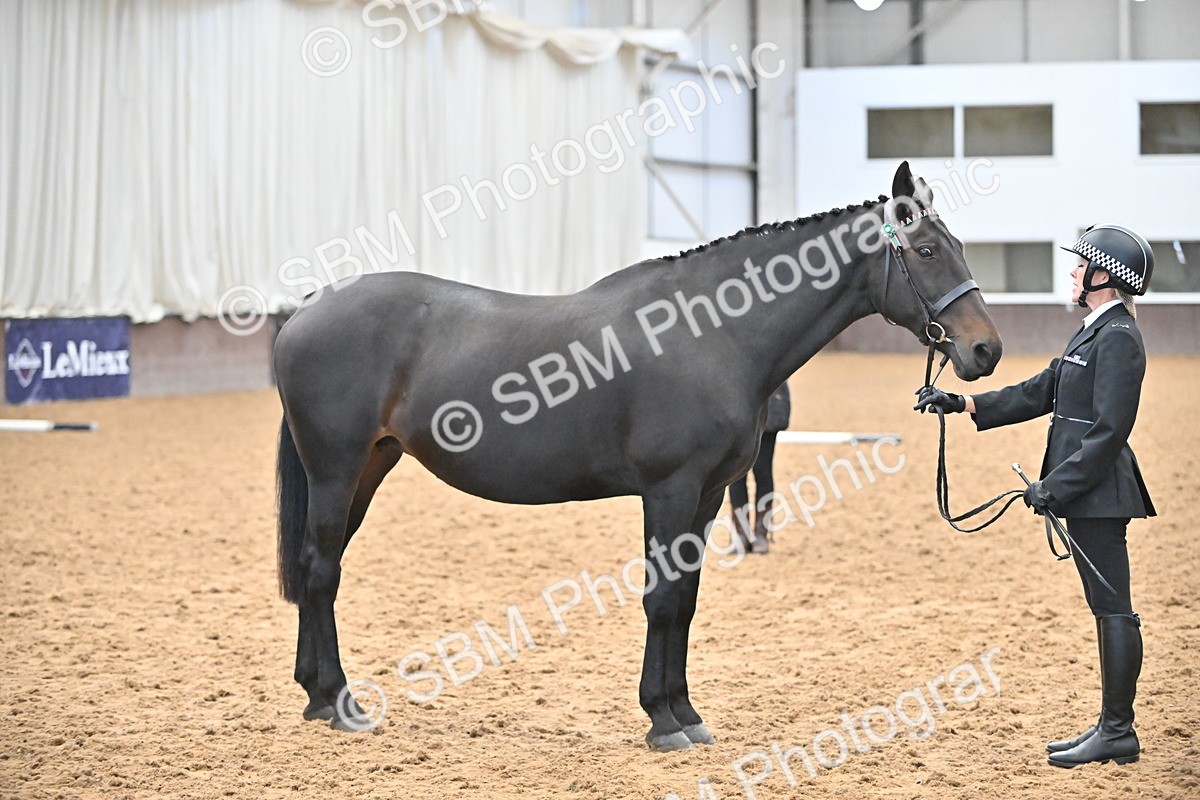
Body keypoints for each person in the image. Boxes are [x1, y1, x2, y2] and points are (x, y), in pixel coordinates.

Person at [915, 225, 1155, 768]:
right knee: (1106, 608)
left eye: (1079, 267)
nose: (1071, 273)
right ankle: (1111, 726)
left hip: (1100, 493)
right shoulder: (1096, 331)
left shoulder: (1117, 337)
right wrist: (963, 404)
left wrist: (1056, 485)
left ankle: (1118, 730)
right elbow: (1041, 390)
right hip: (1085, 491)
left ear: (1103, 277)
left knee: (1114, 610)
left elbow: (1110, 431)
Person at [729, 382, 790, 555]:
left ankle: (761, 533)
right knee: (734, 474)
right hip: (736, 407)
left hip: (770, 403)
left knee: (763, 471)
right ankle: (740, 533)